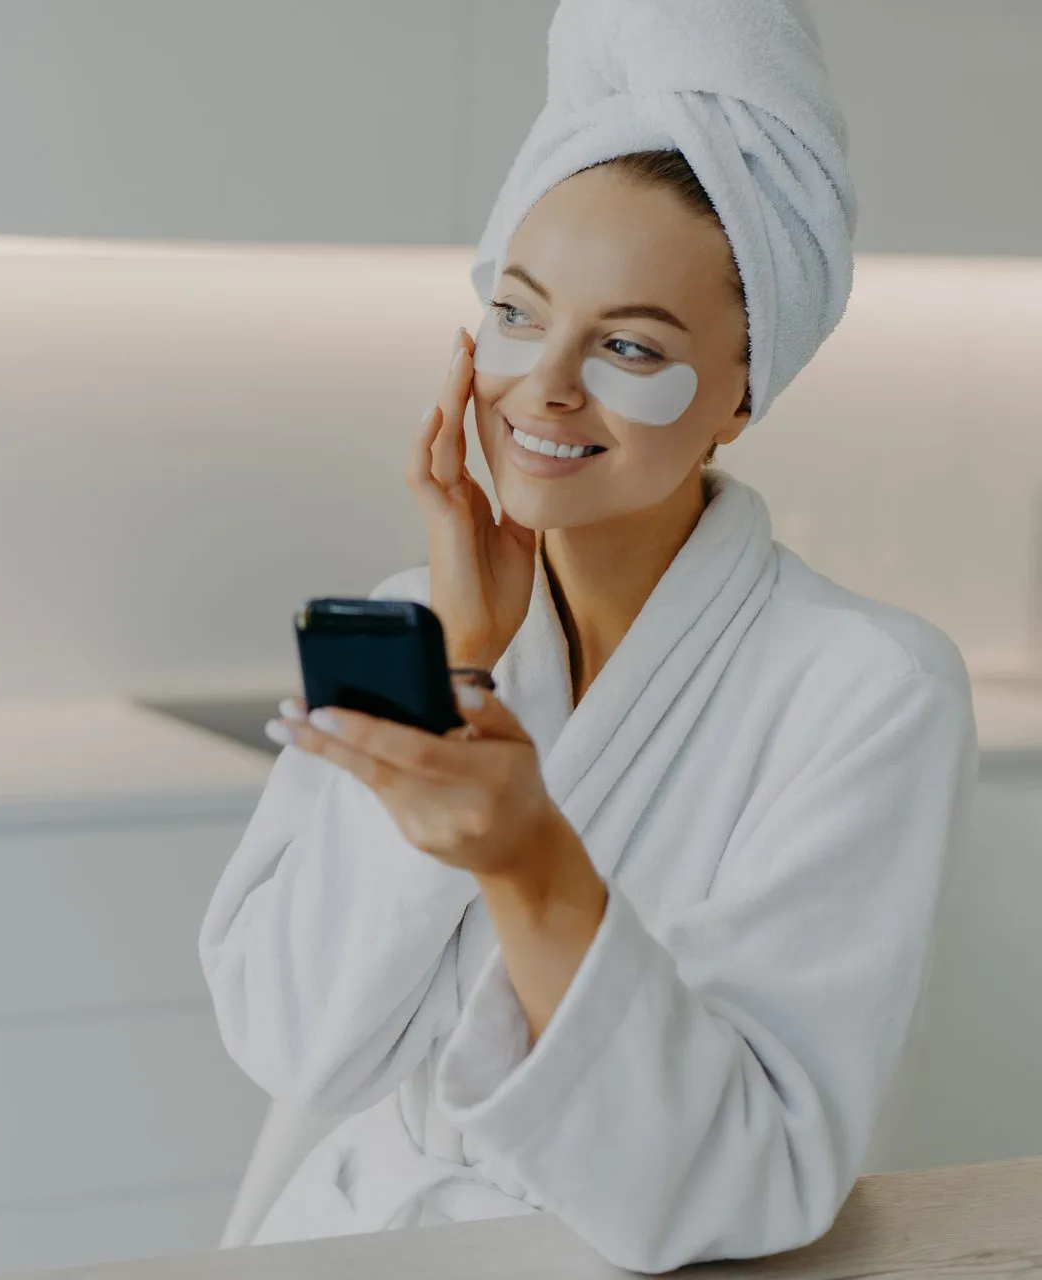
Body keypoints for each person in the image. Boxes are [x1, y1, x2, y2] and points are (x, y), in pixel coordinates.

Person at [198, 1, 978, 1272]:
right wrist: (452, 654)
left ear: (740, 389)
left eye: (628, 344)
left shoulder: (868, 689)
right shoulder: (432, 612)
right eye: (517, 311)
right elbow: (295, 1042)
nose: (545, 385)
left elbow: (748, 1173)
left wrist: (530, 862)